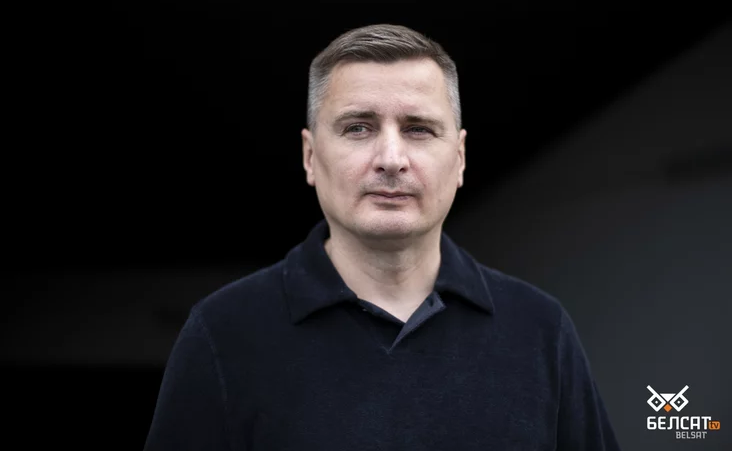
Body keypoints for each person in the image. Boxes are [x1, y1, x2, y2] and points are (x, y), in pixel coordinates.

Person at [143, 23, 621, 450]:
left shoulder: (540, 330)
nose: (391, 159)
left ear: (459, 158)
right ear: (310, 156)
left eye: (418, 129)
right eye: (358, 127)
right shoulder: (223, 334)